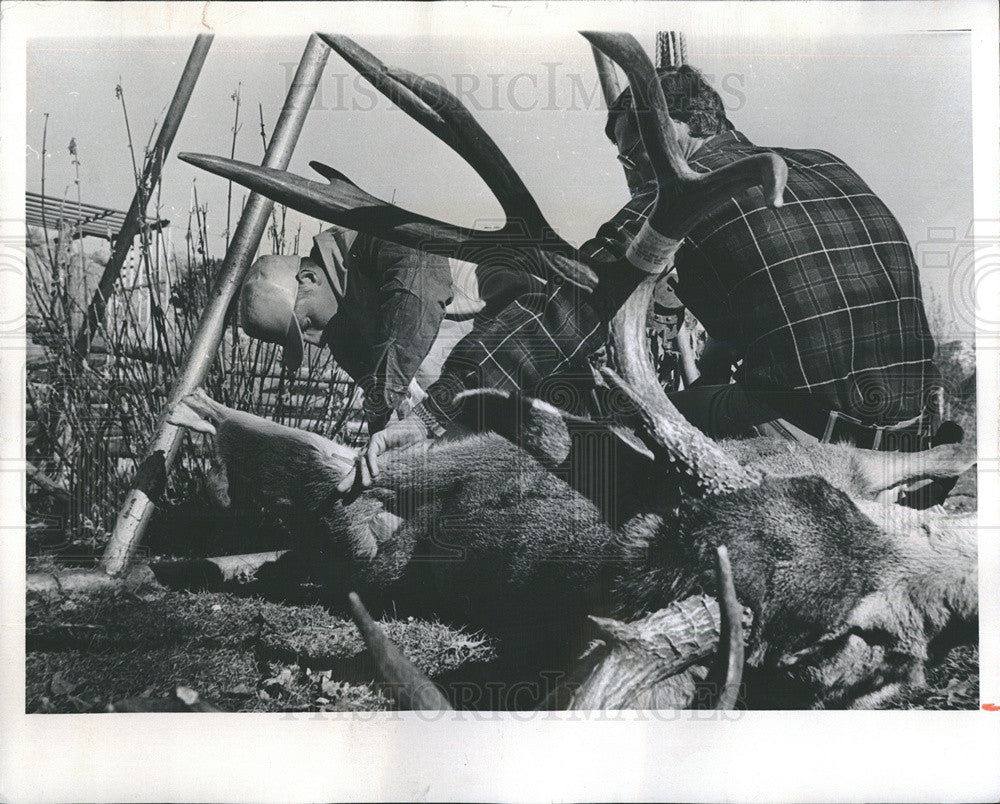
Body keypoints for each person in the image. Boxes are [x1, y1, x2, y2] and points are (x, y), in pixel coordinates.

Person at [352, 64, 953, 487]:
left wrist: (434, 414)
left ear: (677, 131)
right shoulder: (827, 164)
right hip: (916, 436)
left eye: (634, 150)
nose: (632, 171)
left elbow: (568, 304)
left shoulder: (679, 191)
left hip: (819, 447)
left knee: (621, 436)